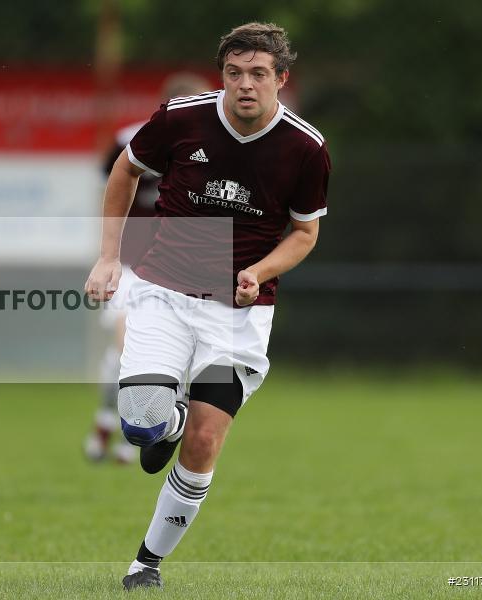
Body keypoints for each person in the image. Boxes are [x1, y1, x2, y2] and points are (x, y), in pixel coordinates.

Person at [84, 22, 331, 590]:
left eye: (258, 74)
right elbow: (125, 169)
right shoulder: (181, 117)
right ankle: (160, 425)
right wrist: (106, 257)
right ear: (223, 74)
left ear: (281, 79)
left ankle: (145, 564)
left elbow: (304, 233)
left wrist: (258, 272)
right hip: (163, 295)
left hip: (237, 315)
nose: (245, 85)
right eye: (234, 73)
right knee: (144, 423)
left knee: (204, 439)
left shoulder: (306, 148)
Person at [84, 72, 212, 465]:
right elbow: (113, 188)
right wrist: (106, 254)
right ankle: (119, 424)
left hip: (181, 270)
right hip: (132, 264)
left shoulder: (212, 148)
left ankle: (126, 428)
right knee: (126, 350)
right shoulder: (131, 140)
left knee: (172, 358)